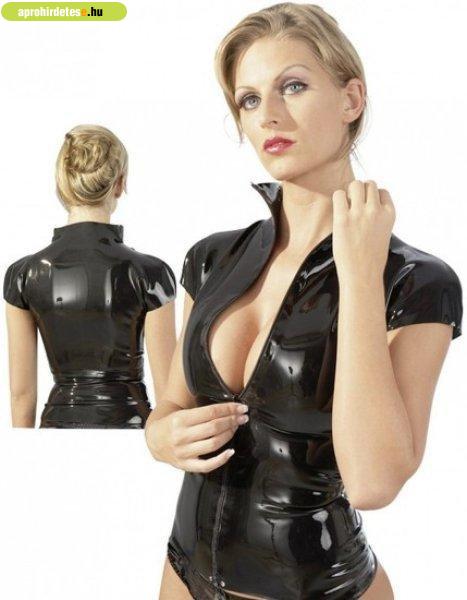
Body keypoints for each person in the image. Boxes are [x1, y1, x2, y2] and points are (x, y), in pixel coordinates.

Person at [145, 3, 463, 599]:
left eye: (293, 86)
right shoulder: (211, 259)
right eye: (249, 99)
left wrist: (360, 275)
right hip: (183, 573)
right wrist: (158, 436)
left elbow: (373, 482)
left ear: (351, 99)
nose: (269, 114)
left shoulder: (416, 282)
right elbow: (171, 407)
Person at [4, 124, 177, 429]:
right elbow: (169, 396)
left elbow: (21, 395)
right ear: (119, 184)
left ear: (62, 186)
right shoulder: (151, 273)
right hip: (131, 432)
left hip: (57, 432)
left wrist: (23, 452)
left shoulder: (23, 275)